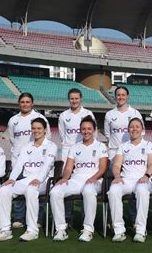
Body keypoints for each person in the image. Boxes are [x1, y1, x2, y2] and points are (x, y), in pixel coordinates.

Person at [0, 118, 57, 242]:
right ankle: (5, 229)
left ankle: (32, 230)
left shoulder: (51, 146)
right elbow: (18, 165)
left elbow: (47, 165)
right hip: (27, 179)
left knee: (31, 189)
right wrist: (12, 179)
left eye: (39, 128)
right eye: (33, 128)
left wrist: (39, 179)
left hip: (44, 180)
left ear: (45, 130)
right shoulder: (27, 146)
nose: (36, 131)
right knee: (4, 189)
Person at [50, 116, 108, 242]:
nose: (86, 131)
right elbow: (68, 167)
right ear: (80, 130)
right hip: (76, 180)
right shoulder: (75, 147)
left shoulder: (101, 146)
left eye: (89, 129)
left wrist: (93, 178)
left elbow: (103, 168)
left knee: (88, 191)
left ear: (94, 130)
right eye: (83, 129)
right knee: (55, 191)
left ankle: (88, 230)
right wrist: (65, 178)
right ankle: (61, 229)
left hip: (95, 180)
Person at [108, 117, 152, 243]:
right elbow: (117, 165)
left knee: (142, 191)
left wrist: (146, 175)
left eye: (137, 126)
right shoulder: (123, 146)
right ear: (128, 130)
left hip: (143, 180)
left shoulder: (149, 145)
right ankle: (119, 230)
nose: (134, 129)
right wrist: (117, 176)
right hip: (126, 180)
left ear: (142, 129)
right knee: (113, 190)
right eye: (131, 127)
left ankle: (140, 231)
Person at [7, 92, 51, 228]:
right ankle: (19, 217)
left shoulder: (39, 117)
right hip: (17, 161)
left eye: (27, 102)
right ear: (19, 103)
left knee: (37, 189)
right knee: (17, 190)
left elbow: (47, 136)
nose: (25, 104)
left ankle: (38, 218)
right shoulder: (13, 120)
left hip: (36, 162)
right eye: (22, 102)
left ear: (32, 103)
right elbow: (12, 139)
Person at [58, 88, 95, 225]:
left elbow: (92, 132)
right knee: (66, 181)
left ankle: (86, 215)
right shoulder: (63, 115)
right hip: (68, 150)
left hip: (84, 149)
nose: (74, 101)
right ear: (69, 99)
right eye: (72, 98)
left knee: (85, 180)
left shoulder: (88, 113)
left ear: (81, 99)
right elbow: (63, 135)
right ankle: (67, 215)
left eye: (76, 98)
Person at [104, 86, 142, 163]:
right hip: (114, 151)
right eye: (118, 95)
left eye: (123, 95)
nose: (121, 97)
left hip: (130, 150)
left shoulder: (135, 113)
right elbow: (107, 134)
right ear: (115, 96)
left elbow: (141, 133)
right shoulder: (109, 114)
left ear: (127, 96)